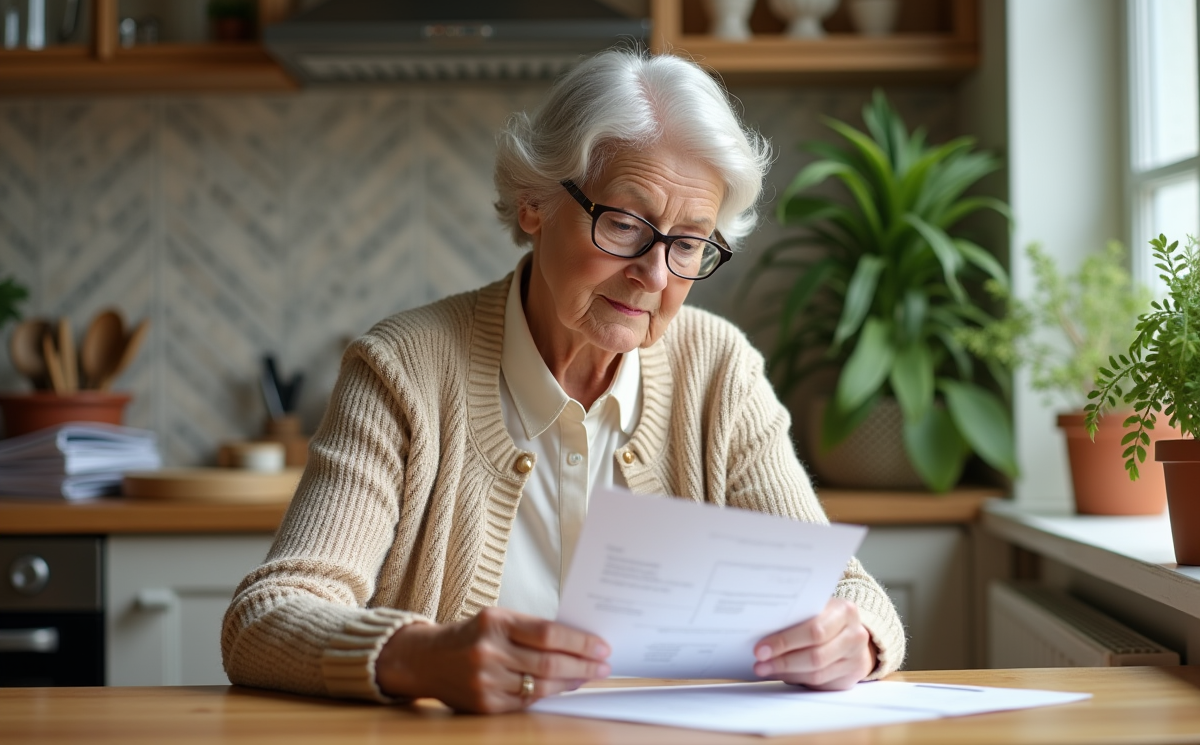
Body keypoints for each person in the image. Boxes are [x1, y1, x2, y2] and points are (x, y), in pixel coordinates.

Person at [221, 49, 905, 714]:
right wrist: (421, 657)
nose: (656, 274)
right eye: (627, 224)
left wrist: (855, 639)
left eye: (689, 242)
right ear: (534, 205)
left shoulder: (720, 371)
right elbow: (266, 618)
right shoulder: (404, 369)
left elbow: (847, 592)